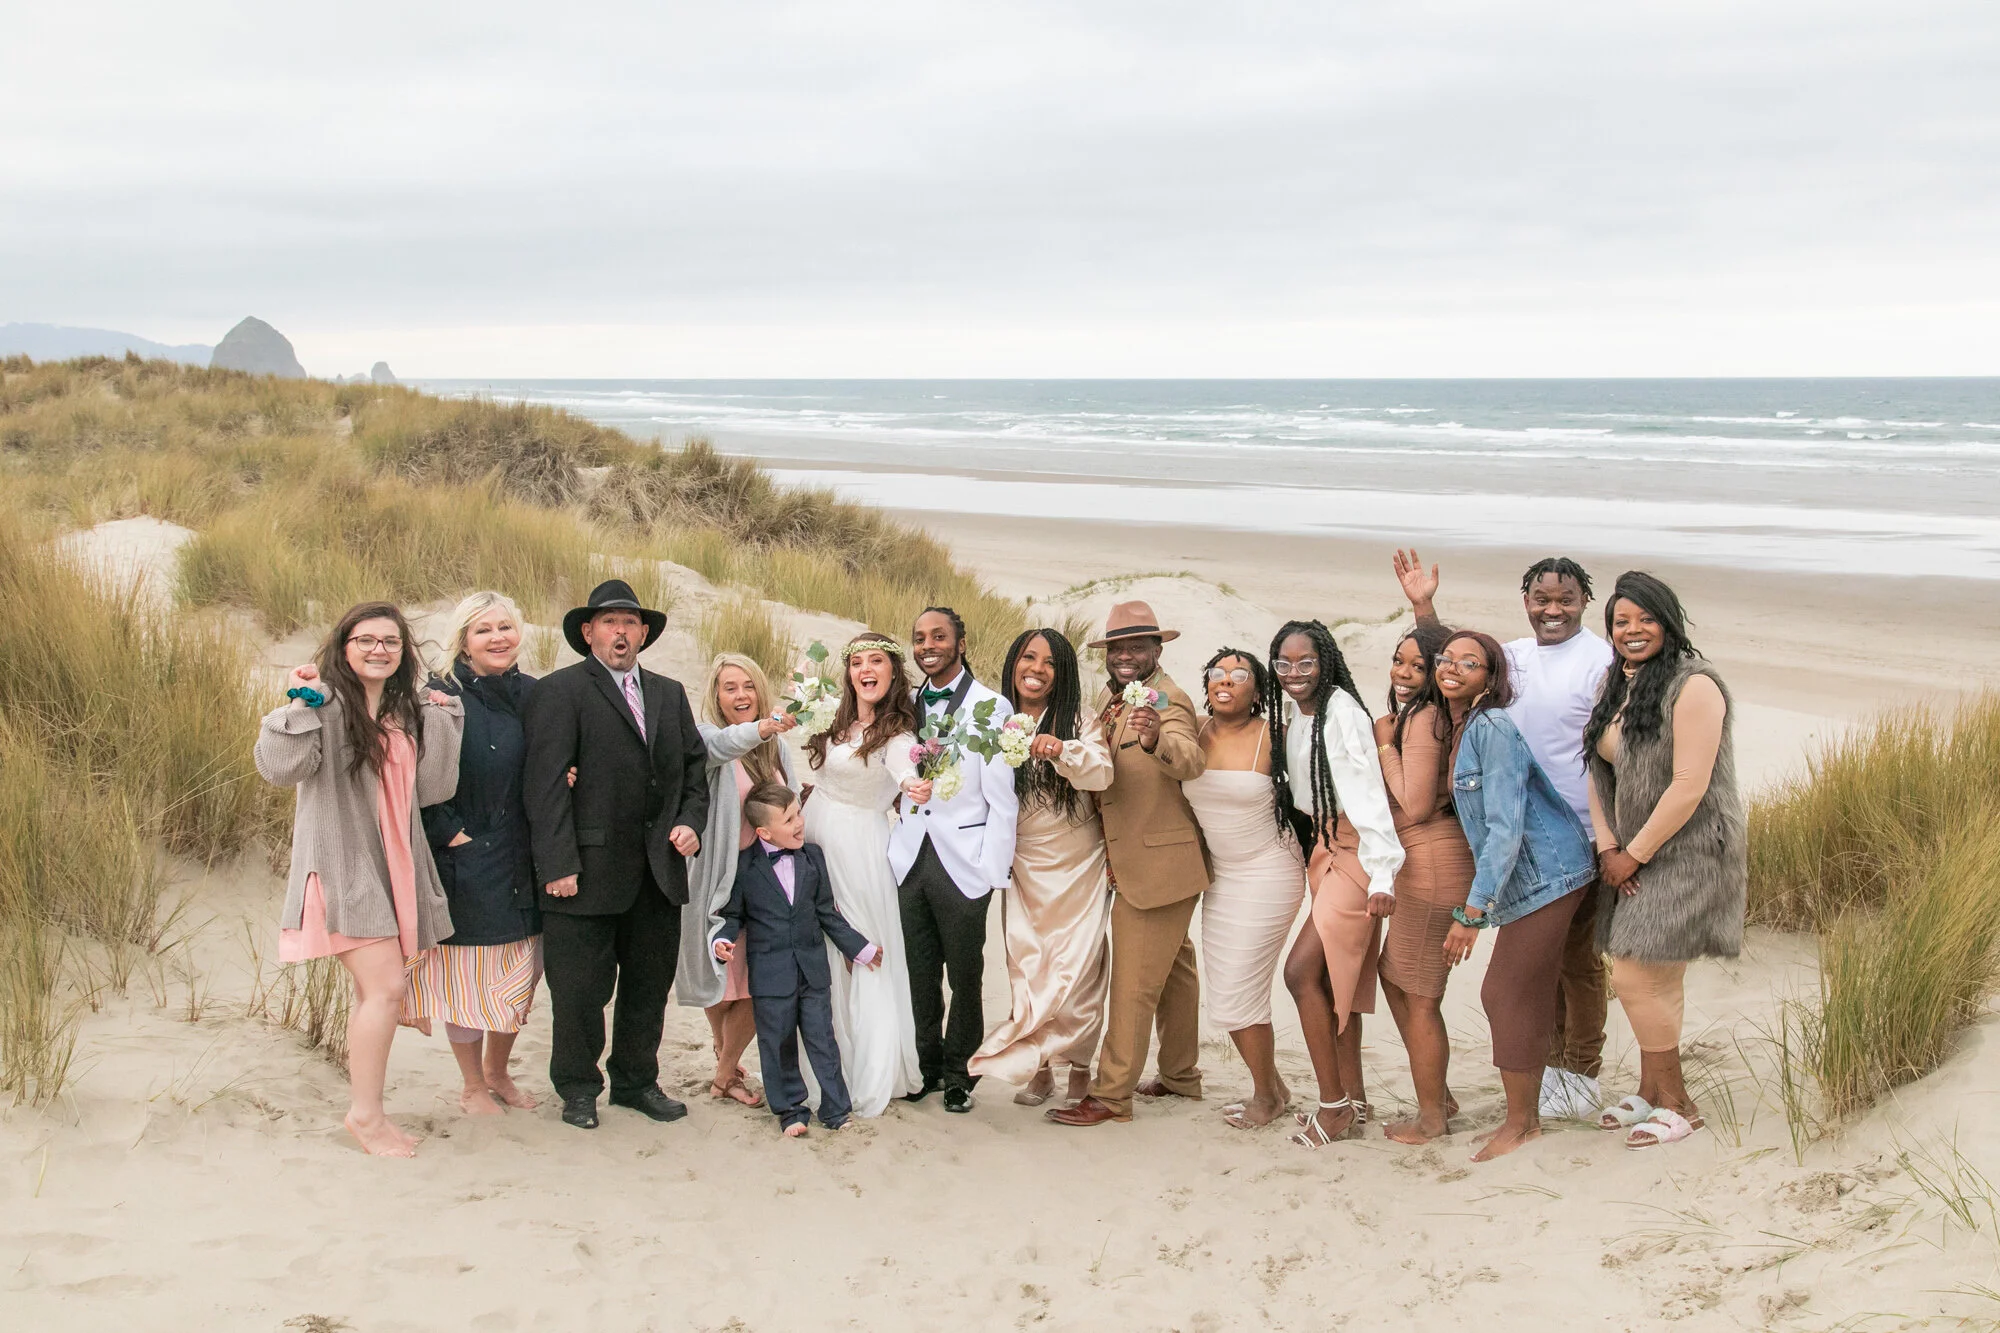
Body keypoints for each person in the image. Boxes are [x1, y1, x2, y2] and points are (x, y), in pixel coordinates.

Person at [1395, 548, 1615, 1121]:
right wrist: (1424, 608)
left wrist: (1616, 838)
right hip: (1514, 830)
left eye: (1565, 599)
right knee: (1535, 971)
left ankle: (1578, 1074)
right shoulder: (1513, 658)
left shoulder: (1599, 660)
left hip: (1580, 834)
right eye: (1541, 599)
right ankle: (1539, 1078)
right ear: (1525, 602)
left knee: (1577, 964)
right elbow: (1461, 662)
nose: (1553, 609)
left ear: (1584, 601)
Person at [255, 601, 464, 1158]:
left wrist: (443, 714)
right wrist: (298, 703)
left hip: (396, 867)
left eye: (391, 642)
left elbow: (435, 787)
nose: (379, 649)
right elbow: (277, 769)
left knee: (376, 992)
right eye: (367, 640)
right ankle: (365, 1117)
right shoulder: (324, 705)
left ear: (403, 654)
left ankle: (369, 1110)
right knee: (387, 989)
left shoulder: (403, 713)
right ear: (344, 648)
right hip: (344, 868)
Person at [521, 579, 709, 1130]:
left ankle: (635, 1082)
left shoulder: (670, 693)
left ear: (644, 633)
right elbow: (546, 785)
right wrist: (557, 865)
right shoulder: (559, 691)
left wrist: (689, 823)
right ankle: (578, 1088)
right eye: (609, 622)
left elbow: (694, 773)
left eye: (630, 622)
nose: (621, 631)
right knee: (580, 993)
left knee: (648, 991)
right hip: (584, 873)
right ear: (587, 632)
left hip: (657, 873)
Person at [1584, 572, 1746, 1149]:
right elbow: (1595, 772)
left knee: (1635, 970)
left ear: (1668, 621)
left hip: (1692, 851)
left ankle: (1679, 1103)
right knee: (1654, 974)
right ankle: (1653, 1089)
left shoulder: (1694, 684)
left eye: (1644, 619)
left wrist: (1634, 854)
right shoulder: (1619, 683)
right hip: (1631, 850)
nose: (1632, 630)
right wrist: (1607, 846)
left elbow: (1687, 785)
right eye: (1621, 621)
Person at [1437, 631, 1597, 1162]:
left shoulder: (1495, 728)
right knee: (1519, 991)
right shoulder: (1464, 725)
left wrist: (1472, 912)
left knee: (1504, 992)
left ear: (1492, 677)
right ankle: (1528, 1111)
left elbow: (1505, 828)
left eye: (1471, 662)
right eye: (1447, 659)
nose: (1454, 667)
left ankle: (1523, 1123)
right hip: (1532, 878)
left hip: (1552, 873)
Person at [1048, 601, 1208, 1128]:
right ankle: (1181, 1074)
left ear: (1157, 651)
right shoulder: (1110, 699)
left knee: (1134, 983)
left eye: (1137, 646)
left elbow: (1189, 756)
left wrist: (1155, 737)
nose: (1125, 656)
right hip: (1142, 860)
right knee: (1176, 971)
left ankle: (1112, 1095)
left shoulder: (1168, 700)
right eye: (1117, 648)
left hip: (1156, 867)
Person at [1267, 620, 1405, 1148]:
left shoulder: (1341, 713)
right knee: (1330, 982)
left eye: (1306, 663)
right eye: (1284, 664)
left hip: (1357, 851)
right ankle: (1355, 1097)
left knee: (1301, 972)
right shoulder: (1297, 717)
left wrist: (1383, 873)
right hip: (1323, 850)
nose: (1295, 673)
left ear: (1324, 661)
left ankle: (1333, 1106)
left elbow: (1370, 796)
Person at [406, 591, 543, 1116]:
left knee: (518, 977)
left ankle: (498, 1071)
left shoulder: (534, 694)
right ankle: (471, 1085)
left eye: (506, 627)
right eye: (484, 629)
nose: (498, 638)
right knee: (467, 980)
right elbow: (414, 777)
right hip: (468, 854)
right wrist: (450, 833)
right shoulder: (440, 696)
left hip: (525, 853)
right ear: (464, 638)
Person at [967, 628, 1114, 1107]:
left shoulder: (1076, 717)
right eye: (1028, 657)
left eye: (1049, 662)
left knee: (1080, 968)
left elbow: (1101, 771)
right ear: (1013, 662)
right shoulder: (995, 717)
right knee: (1029, 964)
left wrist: (1060, 749)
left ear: (1062, 672)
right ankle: (1040, 1065)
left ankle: (1081, 1068)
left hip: (1078, 860)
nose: (1037, 668)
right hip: (1023, 861)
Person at [887, 606, 1020, 1113]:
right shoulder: (905, 706)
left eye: (938, 636)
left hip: (965, 859)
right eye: (919, 637)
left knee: (965, 974)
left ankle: (960, 1072)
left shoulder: (992, 706)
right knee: (918, 970)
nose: (927, 645)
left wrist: (993, 868)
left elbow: (1002, 800)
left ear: (960, 643)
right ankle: (925, 1065)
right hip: (909, 858)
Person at [801, 632, 932, 1117]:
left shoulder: (898, 734)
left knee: (858, 947)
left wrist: (911, 783)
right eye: (858, 662)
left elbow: (904, 768)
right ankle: (823, 1060)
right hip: (814, 837)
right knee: (818, 948)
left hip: (858, 847)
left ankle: (868, 1069)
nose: (866, 669)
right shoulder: (834, 719)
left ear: (893, 672)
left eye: (876, 661)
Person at [712, 783, 883, 1138]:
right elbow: (732, 916)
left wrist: (859, 948)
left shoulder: (813, 857)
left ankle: (837, 1109)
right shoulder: (745, 867)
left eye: (798, 813)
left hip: (812, 970)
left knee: (823, 1039)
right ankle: (790, 1110)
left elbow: (827, 912)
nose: (800, 823)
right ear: (763, 831)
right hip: (771, 975)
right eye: (789, 819)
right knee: (777, 1044)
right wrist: (722, 940)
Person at [1183, 648, 1306, 1129]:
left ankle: (1265, 1095)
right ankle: (1274, 1086)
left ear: (1258, 689)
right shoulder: (1190, 729)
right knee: (1227, 991)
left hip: (1269, 870)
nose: (1226, 681)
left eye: (1240, 674)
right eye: (1217, 673)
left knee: (1238, 989)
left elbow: (1317, 793)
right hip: (1222, 877)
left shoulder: (1275, 736)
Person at [678, 652, 800, 1111]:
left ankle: (724, 1072)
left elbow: (788, 804)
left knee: (757, 980)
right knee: (720, 973)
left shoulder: (776, 749)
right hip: (717, 875)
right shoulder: (708, 738)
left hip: (767, 880)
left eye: (748, 685)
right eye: (730, 687)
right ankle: (723, 1055)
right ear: (717, 696)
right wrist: (765, 726)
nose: (741, 695)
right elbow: (724, 747)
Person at [1372, 623, 1476, 1145]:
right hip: (1429, 858)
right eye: (1400, 661)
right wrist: (1421, 606)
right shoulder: (1434, 714)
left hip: (1434, 861)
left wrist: (1386, 747)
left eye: (1419, 665)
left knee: (1420, 996)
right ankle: (1439, 1093)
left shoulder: (1422, 719)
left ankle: (1432, 1117)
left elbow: (1414, 803)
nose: (1406, 674)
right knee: (1395, 976)